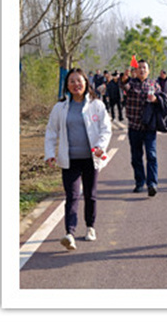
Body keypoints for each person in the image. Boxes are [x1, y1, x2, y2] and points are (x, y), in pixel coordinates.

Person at [44, 68, 112, 250]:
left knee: (90, 195)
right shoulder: (60, 107)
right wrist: (50, 153)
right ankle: (70, 233)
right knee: (72, 196)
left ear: (86, 83)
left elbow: (106, 129)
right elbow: (51, 131)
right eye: (72, 81)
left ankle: (90, 227)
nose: (76, 84)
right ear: (67, 85)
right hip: (70, 159)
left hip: (91, 158)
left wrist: (100, 146)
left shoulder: (97, 105)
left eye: (79, 81)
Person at [122, 59, 166, 196]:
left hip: (149, 128)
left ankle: (152, 184)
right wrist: (124, 79)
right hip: (134, 127)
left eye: (144, 68)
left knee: (151, 155)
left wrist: (156, 100)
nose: (141, 70)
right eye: (139, 67)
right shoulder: (131, 84)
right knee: (136, 157)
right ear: (135, 70)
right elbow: (124, 86)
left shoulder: (154, 84)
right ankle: (140, 182)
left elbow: (163, 100)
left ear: (148, 71)